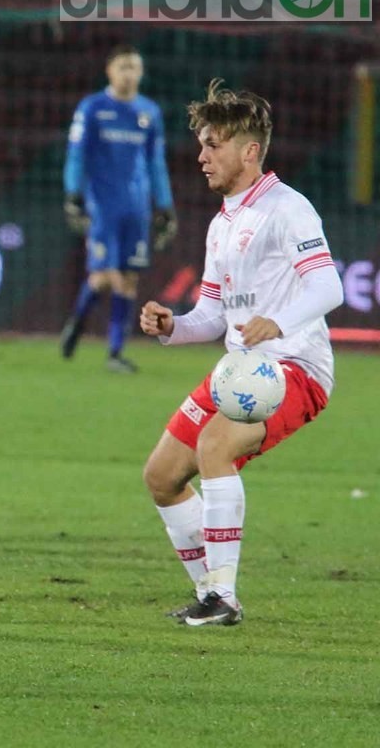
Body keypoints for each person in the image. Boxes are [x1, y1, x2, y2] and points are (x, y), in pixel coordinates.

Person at [139, 80, 343, 626]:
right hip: (239, 369)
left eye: (215, 144)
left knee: (215, 446)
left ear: (250, 152)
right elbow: (210, 316)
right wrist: (171, 326)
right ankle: (209, 592)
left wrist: (279, 320)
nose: (202, 156)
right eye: (202, 144)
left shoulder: (288, 209)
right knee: (161, 476)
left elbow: (329, 289)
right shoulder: (222, 222)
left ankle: (223, 600)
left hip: (294, 366)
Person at [61, 45, 177, 373]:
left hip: (136, 208)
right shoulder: (93, 108)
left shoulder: (149, 112)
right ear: (109, 71)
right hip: (102, 205)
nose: (129, 73)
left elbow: (156, 162)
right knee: (104, 277)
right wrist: (73, 193)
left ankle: (115, 353)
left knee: (128, 280)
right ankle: (79, 321)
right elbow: (77, 155)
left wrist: (164, 205)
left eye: (134, 67)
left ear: (141, 73)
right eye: (123, 67)